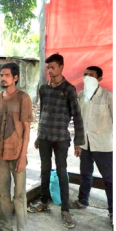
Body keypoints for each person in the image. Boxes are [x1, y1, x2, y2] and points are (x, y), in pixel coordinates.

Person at [28, 53, 85, 229]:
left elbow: (77, 116)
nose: (50, 71)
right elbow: (42, 113)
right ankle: (44, 202)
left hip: (61, 138)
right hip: (44, 138)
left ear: (61, 67)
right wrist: (38, 135)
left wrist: (78, 141)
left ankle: (65, 210)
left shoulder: (69, 89)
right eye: (48, 68)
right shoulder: (43, 88)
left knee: (61, 172)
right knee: (45, 170)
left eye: (53, 67)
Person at [0, 63, 33, 231]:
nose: (3, 78)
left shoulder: (23, 98)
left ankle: (22, 228)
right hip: (1, 154)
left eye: (6, 75)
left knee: (19, 196)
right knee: (3, 194)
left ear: (15, 78)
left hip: (17, 154)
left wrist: (23, 157)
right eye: (1, 75)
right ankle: (5, 226)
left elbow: (27, 129)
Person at [70, 66, 113, 224]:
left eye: (91, 76)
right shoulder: (81, 96)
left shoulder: (108, 97)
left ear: (99, 79)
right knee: (85, 174)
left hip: (104, 145)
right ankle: (82, 201)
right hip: (85, 144)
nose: (87, 78)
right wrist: (77, 142)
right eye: (85, 75)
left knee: (109, 179)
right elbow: (78, 121)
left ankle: (112, 211)